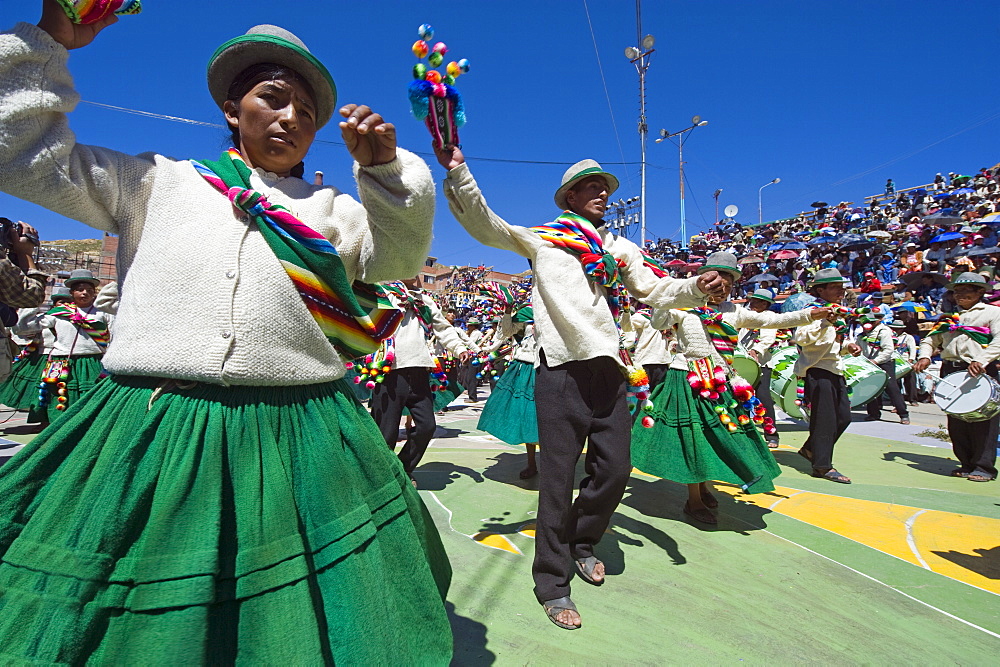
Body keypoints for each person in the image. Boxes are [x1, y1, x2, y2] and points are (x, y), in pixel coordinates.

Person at [0, 8, 451, 663]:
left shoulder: (335, 212)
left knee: (291, 621)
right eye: (272, 97)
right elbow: (19, 151)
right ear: (232, 108)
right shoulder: (155, 181)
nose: (290, 117)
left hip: (301, 432)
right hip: (156, 426)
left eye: (305, 109)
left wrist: (386, 177)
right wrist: (44, 44)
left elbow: (399, 261)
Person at [436, 146, 724, 630]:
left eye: (606, 189)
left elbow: (654, 289)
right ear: (570, 196)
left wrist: (696, 286)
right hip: (561, 369)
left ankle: (582, 541)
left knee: (615, 470)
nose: (603, 195)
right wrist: (458, 173)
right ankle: (552, 582)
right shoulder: (545, 240)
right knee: (555, 479)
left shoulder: (619, 250)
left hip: (610, 369)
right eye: (592, 187)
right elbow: (487, 225)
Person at [632, 254, 827, 524]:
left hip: (721, 382)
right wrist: (669, 297)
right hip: (688, 378)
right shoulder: (684, 307)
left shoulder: (733, 312)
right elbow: (658, 320)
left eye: (728, 281)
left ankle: (703, 487)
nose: (721, 285)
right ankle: (694, 499)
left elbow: (770, 321)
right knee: (695, 438)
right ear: (703, 279)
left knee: (722, 436)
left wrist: (808, 314)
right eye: (716, 279)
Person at [369, 278, 471, 481]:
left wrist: (459, 348)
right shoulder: (381, 293)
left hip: (419, 372)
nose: (412, 272)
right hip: (389, 372)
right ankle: (382, 479)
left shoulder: (424, 300)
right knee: (385, 433)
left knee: (427, 426)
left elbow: (443, 328)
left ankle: (404, 468)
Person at [915, 273, 1000, 482]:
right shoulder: (948, 317)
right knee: (957, 421)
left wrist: (981, 360)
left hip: (979, 371)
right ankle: (965, 462)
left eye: (965, 290)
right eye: (956, 291)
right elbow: (930, 340)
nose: (959, 294)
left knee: (983, 420)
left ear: (980, 292)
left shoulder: (992, 313)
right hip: (951, 372)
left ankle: (984, 466)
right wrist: (925, 356)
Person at [15, 268, 113, 426]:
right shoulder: (59, 313)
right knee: (59, 398)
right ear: (72, 292)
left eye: (89, 290)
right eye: (80, 290)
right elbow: (23, 327)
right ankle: (56, 430)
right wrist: (31, 304)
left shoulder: (102, 314)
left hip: (92, 362)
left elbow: (115, 334)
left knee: (91, 397)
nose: (84, 293)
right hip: (61, 361)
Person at [793, 269, 863, 484]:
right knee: (825, 420)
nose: (841, 291)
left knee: (844, 417)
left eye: (841, 287)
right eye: (835, 287)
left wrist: (849, 346)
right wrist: (824, 322)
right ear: (820, 290)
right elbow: (802, 338)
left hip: (835, 368)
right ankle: (822, 466)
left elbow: (836, 342)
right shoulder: (812, 311)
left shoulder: (840, 312)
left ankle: (810, 449)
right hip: (817, 369)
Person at [477, 305, 539, 479]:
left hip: (548, 367)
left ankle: (553, 464)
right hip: (525, 367)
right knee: (524, 414)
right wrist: (507, 312)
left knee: (546, 417)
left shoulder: (558, 310)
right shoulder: (528, 312)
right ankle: (532, 464)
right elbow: (507, 331)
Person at [739, 288, 787, 448]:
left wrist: (757, 351)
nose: (753, 304)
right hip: (742, 363)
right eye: (752, 300)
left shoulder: (768, 317)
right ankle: (742, 431)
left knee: (764, 398)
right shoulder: (747, 317)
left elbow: (767, 338)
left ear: (765, 304)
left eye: (757, 301)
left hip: (761, 364)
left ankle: (771, 434)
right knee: (740, 397)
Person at [857, 313, 909, 424]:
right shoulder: (861, 335)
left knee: (891, 388)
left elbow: (888, 350)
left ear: (876, 321)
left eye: (871, 322)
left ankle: (903, 414)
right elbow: (859, 349)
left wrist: (876, 360)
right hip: (869, 364)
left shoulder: (884, 332)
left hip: (885, 363)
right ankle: (873, 413)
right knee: (870, 389)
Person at [890, 319, 918, 405]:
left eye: (898, 329)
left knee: (910, 380)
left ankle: (912, 399)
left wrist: (911, 359)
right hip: (895, 360)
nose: (896, 330)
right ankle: (898, 401)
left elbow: (912, 349)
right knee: (896, 382)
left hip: (906, 360)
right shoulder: (890, 336)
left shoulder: (908, 337)